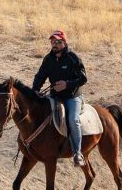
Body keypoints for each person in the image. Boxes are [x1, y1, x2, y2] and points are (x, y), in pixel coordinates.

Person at [32, 30, 88, 166]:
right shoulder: (48, 59)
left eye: (58, 42)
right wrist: (35, 91)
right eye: (53, 42)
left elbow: (83, 78)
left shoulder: (73, 58)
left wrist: (66, 84)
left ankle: (77, 153)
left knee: (73, 120)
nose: (55, 44)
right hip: (55, 95)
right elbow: (40, 76)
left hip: (72, 96)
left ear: (64, 43)